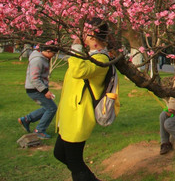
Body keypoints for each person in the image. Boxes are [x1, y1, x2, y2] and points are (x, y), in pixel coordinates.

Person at [54, 18, 111, 181]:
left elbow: (78, 71)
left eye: (85, 32)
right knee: (59, 153)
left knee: (75, 163)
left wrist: (77, 46)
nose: (82, 35)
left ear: (93, 34)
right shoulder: (90, 55)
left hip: (79, 115)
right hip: (69, 114)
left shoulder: (101, 59)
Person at [18, 44, 58, 139]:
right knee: (51, 108)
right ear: (48, 51)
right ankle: (39, 131)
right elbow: (34, 78)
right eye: (53, 53)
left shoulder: (42, 58)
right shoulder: (38, 60)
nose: (54, 56)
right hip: (34, 89)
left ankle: (27, 119)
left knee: (47, 107)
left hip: (37, 89)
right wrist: (45, 91)